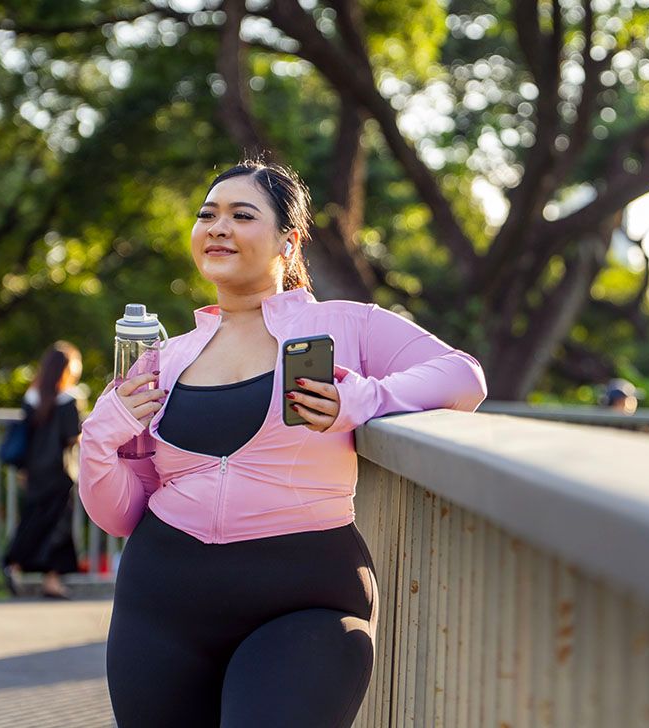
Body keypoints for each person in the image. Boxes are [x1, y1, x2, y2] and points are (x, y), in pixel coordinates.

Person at [78, 160, 487, 728]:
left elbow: (463, 376)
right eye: (207, 215)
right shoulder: (163, 359)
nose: (217, 227)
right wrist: (102, 431)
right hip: (161, 610)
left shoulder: (347, 326)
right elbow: (120, 513)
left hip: (304, 604)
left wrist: (360, 402)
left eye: (242, 215)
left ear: (288, 242)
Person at [2, 341, 84, 600]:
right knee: (59, 527)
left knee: (33, 521)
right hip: (59, 473)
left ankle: (13, 564)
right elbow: (73, 436)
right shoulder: (68, 400)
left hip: (35, 472)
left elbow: (26, 437)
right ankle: (52, 582)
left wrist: (24, 470)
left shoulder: (32, 397)